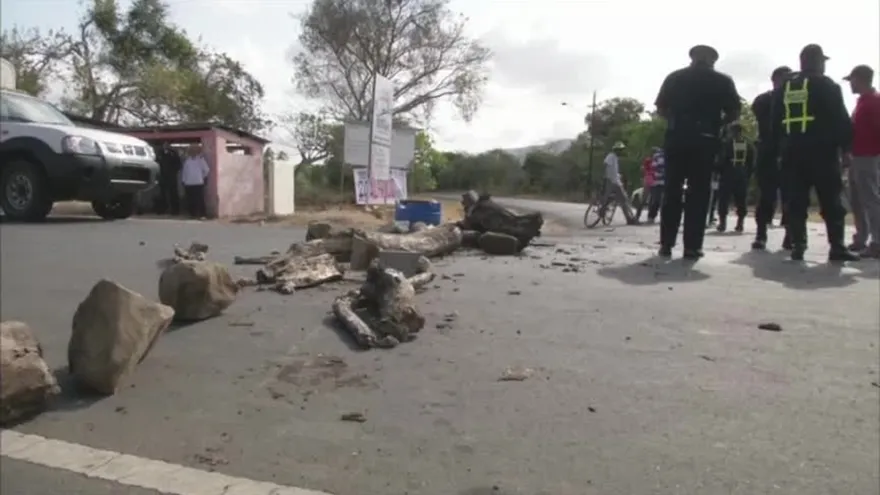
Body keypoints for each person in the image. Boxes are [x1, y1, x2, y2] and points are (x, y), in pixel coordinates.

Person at [769, 44, 859, 262]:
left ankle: (798, 246)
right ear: (817, 62)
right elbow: (840, 120)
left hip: (792, 152)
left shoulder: (785, 87)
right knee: (831, 200)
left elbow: (774, 122)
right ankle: (836, 247)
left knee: (796, 200)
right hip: (823, 153)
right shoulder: (826, 85)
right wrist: (846, 148)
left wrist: (779, 149)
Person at [654, 44, 741, 259]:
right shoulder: (723, 81)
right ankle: (692, 246)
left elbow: (661, 109)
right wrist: (717, 124)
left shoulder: (674, 78)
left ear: (692, 57)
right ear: (713, 60)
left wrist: (678, 120)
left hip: (677, 139)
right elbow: (734, 113)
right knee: (699, 195)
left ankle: (666, 244)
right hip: (705, 141)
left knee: (672, 191)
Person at [751, 66, 793, 250]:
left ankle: (790, 235)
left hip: (790, 151)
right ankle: (761, 234)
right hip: (768, 150)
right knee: (766, 195)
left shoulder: (794, 98)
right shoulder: (764, 100)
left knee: (792, 195)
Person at [844, 64, 880, 258]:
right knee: (857, 200)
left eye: (852, 80)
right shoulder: (862, 101)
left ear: (860, 79)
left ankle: (877, 241)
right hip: (857, 156)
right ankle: (861, 237)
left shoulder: (874, 102)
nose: (850, 84)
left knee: (870, 199)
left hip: (868, 156)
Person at [715, 121, 755, 233]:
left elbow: (721, 160)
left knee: (723, 199)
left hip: (728, 174)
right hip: (742, 174)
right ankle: (740, 223)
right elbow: (752, 162)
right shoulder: (748, 144)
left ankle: (722, 223)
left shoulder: (727, 143)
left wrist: (717, 170)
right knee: (741, 199)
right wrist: (748, 174)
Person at [602, 142, 639, 225]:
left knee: (621, 200)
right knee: (624, 200)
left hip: (615, 180)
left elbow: (613, 170)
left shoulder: (615, 157)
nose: (621, 152)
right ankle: (630, 219)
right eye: (620, 150)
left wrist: (618, 175)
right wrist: (606, 176)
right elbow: (605, 165)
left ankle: (629, 218)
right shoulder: (611, 156)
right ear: (616, 150)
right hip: (613, 181)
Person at [180, 144, 210, 219]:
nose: (193, 153)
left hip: (198, 183)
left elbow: (206, 170)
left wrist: (201, 177)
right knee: (190, 199)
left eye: (194, 151)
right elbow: (184, 172)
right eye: (191, 151)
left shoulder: (200, 160)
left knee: (200, 199)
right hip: (189, 183)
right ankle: (192, 214)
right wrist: (183, 180)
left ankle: (203, 214)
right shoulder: (187, 161)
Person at [157, 142, 182, 215]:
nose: (165, 146)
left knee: (173, 194)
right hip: (162, 177)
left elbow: (178, 165)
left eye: (167, 145)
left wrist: (173, 172)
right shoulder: (160, 154)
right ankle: (162, 210)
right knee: (162, 194)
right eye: (164, 145)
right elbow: (157, 163)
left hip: (171, 177)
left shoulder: (173, 154)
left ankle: (175, 210)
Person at [646, 146, 666, 223]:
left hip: (661, 181)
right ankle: (651, 216)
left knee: (660, 200)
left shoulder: (667, 155)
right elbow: (653, 167)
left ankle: (657, 217)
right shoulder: (658, 156)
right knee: (657, 200)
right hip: (658, 181)